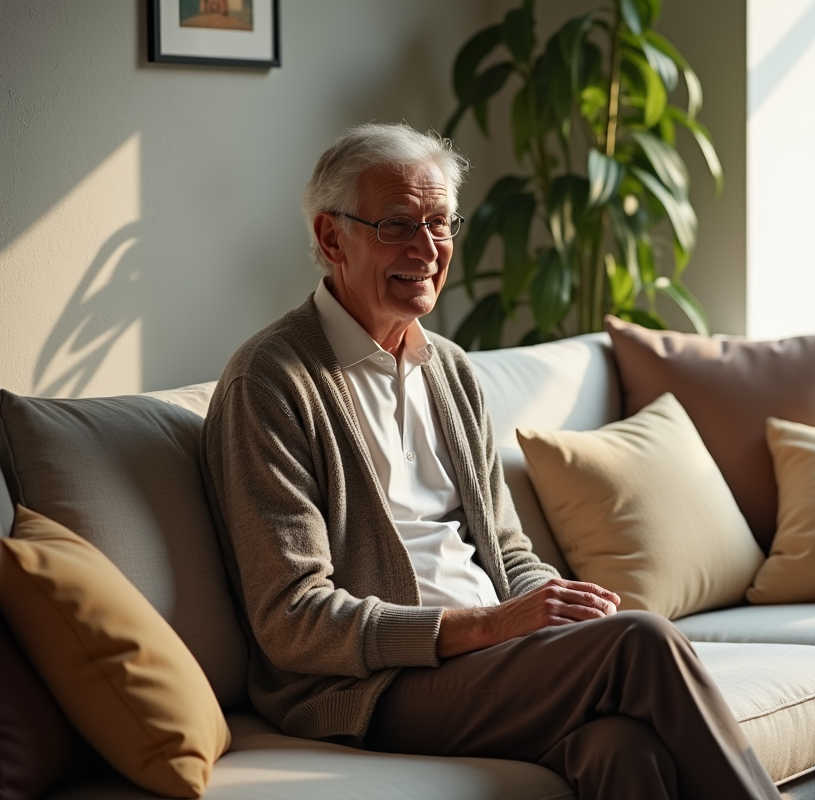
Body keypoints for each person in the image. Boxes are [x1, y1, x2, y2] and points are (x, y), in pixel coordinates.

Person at [200, 122, 780, 800]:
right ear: (333, 238)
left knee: (621, 750)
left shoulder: (448, 369)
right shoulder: (271, 381)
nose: (427, 249)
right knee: (641, 644)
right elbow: (293, 620)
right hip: (367, 689)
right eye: (397, 225)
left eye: (441, 224)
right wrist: (487, 626)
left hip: (491, 661)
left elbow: (506, 552)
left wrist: (553, 608)